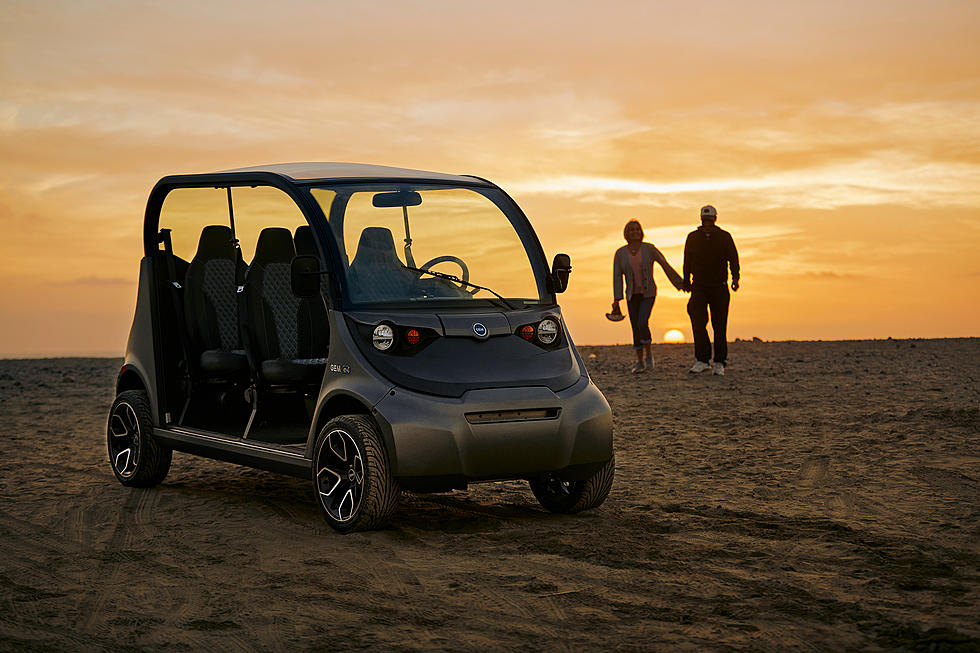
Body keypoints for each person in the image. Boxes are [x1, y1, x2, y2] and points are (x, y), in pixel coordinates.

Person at [612, 219, 683, 373]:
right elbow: (617, 276)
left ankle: (649, 355)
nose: (635, 232)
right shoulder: (620, 253)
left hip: (648, 293)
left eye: (637, 229)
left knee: (642, 322)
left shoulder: (649, 249)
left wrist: (679, 283)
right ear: (626, 233)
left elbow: (664, 264)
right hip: (631, 295)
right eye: (631, 230)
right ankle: (639, 361)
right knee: (635, 327)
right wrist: (616, 300)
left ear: (641, 231)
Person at [682, 205, 740, 376]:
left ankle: (719, 362)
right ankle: (702, 360)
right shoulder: (692, 237)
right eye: (705, 219)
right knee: (698, 323)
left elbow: (733, 259)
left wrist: (736, 278)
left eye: (710, 219)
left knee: (720, 325)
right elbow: (687, 260)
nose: (707, 222)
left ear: (715, 219)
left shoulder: (724, 237)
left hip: (720, 287)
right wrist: (686, 281)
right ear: (701, 219)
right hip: (699, 286)